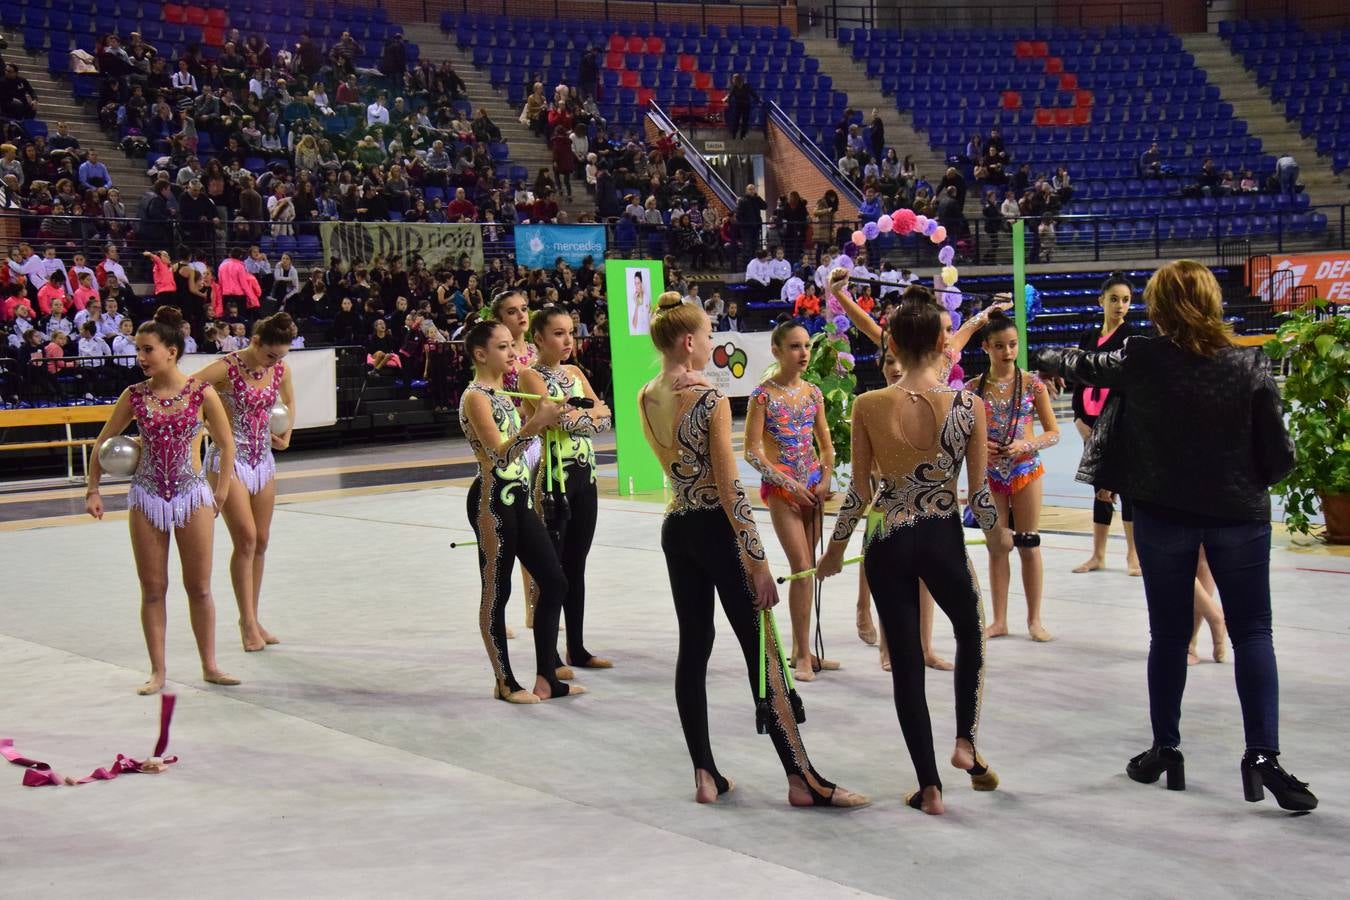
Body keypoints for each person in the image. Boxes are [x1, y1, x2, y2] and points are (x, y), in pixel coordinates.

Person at [1035, 260, 1315, 812]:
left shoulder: (1143, 358)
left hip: (1163, 514)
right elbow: (1280, 458)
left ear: (1158, 309)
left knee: (1166, 636)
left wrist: (1041, 355)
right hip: (1239, 513)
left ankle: (1166, 748)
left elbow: (1078, 362)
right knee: (1254, 633)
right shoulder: (1250, 364)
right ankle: (1263, 757)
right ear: (1213, 303)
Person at [638, 293, 866, 808]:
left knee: (693, 647)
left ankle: (704, 771)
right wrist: (757, 561)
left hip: (677, 526)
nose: (713, 341)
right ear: (690, 341)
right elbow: (729, 489)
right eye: (710, 333)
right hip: (718, 530)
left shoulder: (645, 394)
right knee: (763, 651)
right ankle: (801, 776)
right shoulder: (709, 398)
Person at [816, 294, 999, 816]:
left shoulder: (869, 404)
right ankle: (965, 740)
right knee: (971, 631)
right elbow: (979, 495)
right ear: (945, 343)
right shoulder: (968, 405)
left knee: (906, 666)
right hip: (941, 536)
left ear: (890, 343)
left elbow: (857, 493)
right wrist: (999, 539)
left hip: (889, 542)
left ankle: (930, 788)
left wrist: (834, 551)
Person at [84, 307, 240, 695]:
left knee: (199, 587)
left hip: (191, 496)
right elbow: (103, 442)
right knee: (152, 588)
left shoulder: (201, 393)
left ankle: (210, 664)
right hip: (147, 497)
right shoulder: (134, 396)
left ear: (171, 351)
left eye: (147, 349)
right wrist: (93, 488)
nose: (141, 357)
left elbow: (225, 444)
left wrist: (219, 491)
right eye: (139, 349)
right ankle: (158, 671)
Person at [459, 320, 580, 704]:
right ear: (481, 354)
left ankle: (547, 677)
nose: (513, 353)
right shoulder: (475, 396)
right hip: (492, 502)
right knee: (498, 591)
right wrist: (536, 423)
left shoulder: (503, 392)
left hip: (519, 499)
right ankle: (504, 681)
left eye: (512, 346)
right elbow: (499, 455)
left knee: (554, 581)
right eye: (503, 347)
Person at [194, 313, 297, 653]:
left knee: (262, 540)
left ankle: (253, 616)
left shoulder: (279, 368)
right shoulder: (227, 367)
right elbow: (190, 390)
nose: (276, 362)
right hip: (229, 461)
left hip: (262, 459)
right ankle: (246, 622)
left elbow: (289, 400)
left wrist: (286, 430)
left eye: (281, 356)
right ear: (255, 342)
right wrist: (210, 425)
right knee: (247, 539)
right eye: (270, 355)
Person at [519, 308, 614, 670]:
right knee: (553, 572)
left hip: (585, 478)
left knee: (577, 566)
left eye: (570, 333)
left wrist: (581, 417)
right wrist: (583, 416)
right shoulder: (530, 375)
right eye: (558, 334)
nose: (567, 340)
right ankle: (550, 655)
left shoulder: (574, 373)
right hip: (554, 479)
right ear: (539, 339)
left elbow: (606, 417)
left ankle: (577, 646)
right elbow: (554, 418)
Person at [743, 321, 838, 682]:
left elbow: (826, 446)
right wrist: (786, 481)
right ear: (777, 351)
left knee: (808, 570)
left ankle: (804, 650)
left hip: (813, 488)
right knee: (800, 566)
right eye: (795, 347)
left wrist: (826, 477)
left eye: (806, 347)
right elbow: (753, 453)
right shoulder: (763, 396)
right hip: (784, 492)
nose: (803, 353)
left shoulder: (813, 394)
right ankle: (798, 654)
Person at [856, 339, 954, 672]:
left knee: (926, 578)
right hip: (885, 504)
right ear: (881, 366)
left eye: (899, 361)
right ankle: (888, 647)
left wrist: (979, 319)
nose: (895, 368)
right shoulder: (871, 405)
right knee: (888, 577)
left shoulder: (926, 398)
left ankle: (925, 646)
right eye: (888, 362)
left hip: (923, 504)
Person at [967, 313, 1059, 642]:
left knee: (1028, 543)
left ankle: (1034, 619)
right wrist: (981, 447)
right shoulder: (972, 388)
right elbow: (964, 437)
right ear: (985, 347)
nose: (1007, 352)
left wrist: (1026, 444)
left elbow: (1053, 432)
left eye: (1013, 345)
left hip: (1025, 469)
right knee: (997, 546)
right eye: (999, 346)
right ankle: (1000, 619)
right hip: (991, 474)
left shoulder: (1033, 384)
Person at [1071, 272, 1141, 576]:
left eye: (1125, 300)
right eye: (1114, 299)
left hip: (1120, 426)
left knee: (1126, 489)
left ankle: (1133, 556)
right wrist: (1078, 418)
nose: (1120, 305)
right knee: (1100, 489)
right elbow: (1078, 379)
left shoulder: (1133, 339)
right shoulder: (1087, 338)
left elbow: (1130, 389)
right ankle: (1097, 554)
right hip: (1091, 426)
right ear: (1102, 300)